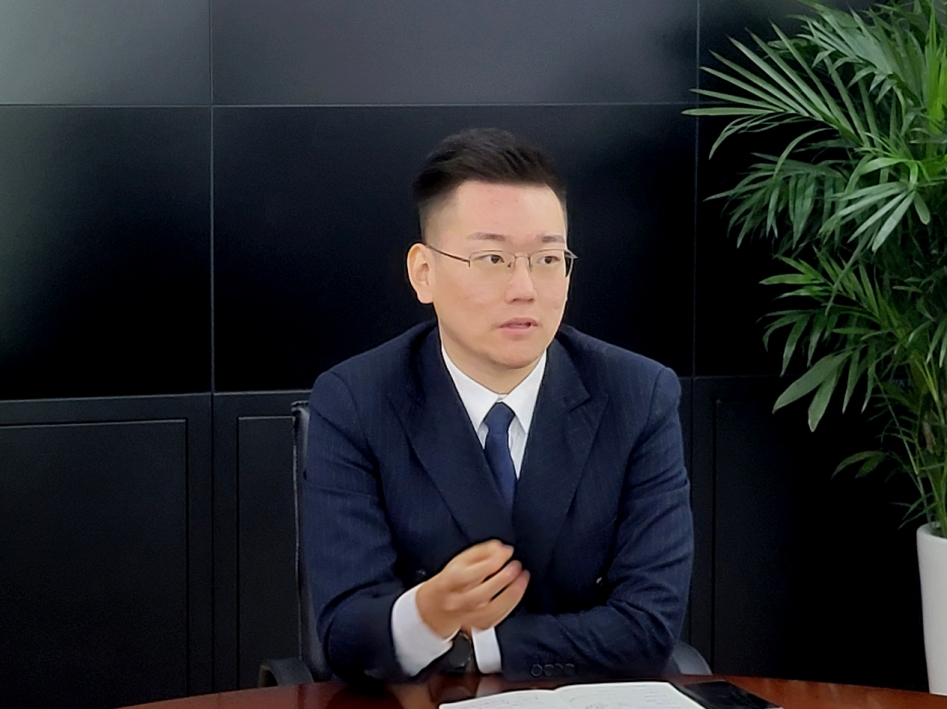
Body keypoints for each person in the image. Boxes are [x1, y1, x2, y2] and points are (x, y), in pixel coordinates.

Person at [300, 127, 693, 685]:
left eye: (548, 258)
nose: (525, 288)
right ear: (424, 273)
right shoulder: (357, 400)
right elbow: (345, 636)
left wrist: (474, 642)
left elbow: (649, 629)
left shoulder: (638, 395)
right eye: (493, 258)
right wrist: (427, 613)